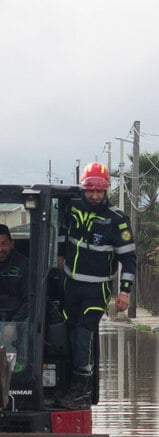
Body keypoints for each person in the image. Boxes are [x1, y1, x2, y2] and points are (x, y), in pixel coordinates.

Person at [56, 162, 136, 408]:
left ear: (106, 191)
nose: (94, 195)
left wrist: (124, 293)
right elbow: (61, 234)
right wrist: (60, 256)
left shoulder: (117, 219)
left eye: (99, 190)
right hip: (70, 284)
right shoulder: (69, 207)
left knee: (84, 336)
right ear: (83, 188)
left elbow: (129, 259)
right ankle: (68, 385)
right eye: (90, 189)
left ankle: (82, 392)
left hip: (97, 289)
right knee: (68, 334)